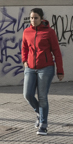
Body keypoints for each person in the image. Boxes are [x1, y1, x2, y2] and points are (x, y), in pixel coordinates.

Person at [21, 8, 64, 136]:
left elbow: (56, 51)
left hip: (46, 68)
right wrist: (24, 61)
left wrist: (60, 70)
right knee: (27, 94)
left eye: (36, 18)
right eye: (31, 18)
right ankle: (39, 113)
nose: (33, 20)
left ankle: (43, 125)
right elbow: (24, 48)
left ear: (41, 18)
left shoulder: (49, 32)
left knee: (42, 97)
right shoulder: (26, 32)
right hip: (30, 68)